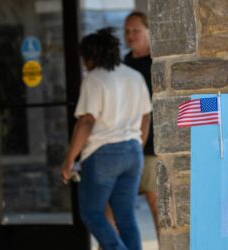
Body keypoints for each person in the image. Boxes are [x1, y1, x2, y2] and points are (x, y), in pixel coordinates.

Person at [61, 28, 152, 250]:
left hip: (103, 154)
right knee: (126, 216)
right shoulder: (133, 76)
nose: (84, 64)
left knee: (92, 213)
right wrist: (137, 145)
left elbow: (86, 122)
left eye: (85, 58)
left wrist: (69, 160)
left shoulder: (94, 79)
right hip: (133, 151)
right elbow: (145, 116)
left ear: (92, 56)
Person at [124, 11, 159, 237]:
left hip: (154, 144)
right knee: (118, 203)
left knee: (156, 203)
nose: (130, 35)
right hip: (127, 144)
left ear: (148, 31)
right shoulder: (125, 63)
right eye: (127, 31)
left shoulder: (157, 61)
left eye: (136, 30)